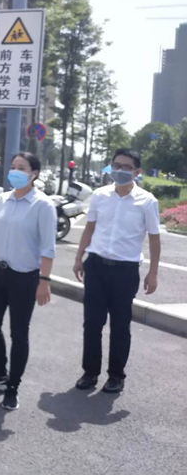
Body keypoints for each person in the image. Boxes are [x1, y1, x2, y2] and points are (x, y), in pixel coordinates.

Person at [73, 148, 160, 394]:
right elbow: (89, 228)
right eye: (117, 166)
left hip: (125, 271)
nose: (120, 171)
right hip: (96, 266)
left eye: (126, 167)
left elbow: (154, 238)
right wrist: (79, 258)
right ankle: (90, 373)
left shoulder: (147, 201)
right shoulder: (100, 195)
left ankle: (116, 376)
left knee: (120, 325)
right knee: (92, 323)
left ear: (137, 171)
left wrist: (153, 272)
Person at [0, 152, 56, 411]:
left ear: (34, 173)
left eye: (22, 168)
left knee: (19, 333)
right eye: (13, 167)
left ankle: (13, 387)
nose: (15, 172)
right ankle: (0, 373)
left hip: (25, 277)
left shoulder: (43, 205)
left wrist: (44, 280)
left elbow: (48, 248)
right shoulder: (1, 200)